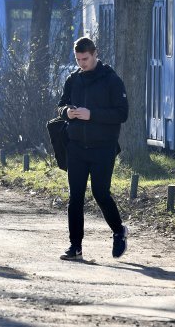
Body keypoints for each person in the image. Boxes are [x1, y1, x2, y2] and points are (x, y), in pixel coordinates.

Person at [57, 36, 129, 261]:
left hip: (103, 147)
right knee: (75, 197)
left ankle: (119, 231)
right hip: (76, 146)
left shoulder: (111, 80)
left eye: (85, 59)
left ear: (95, 53)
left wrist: (92, 115)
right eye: (78, 59)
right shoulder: (73, 79)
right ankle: (75, 246)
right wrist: (66, 112)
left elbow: (122, 113)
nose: (82, 64)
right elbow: (60, 106)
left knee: (100, 193)